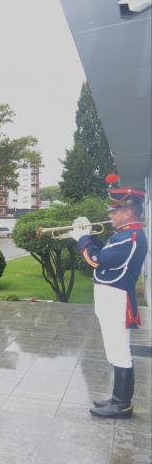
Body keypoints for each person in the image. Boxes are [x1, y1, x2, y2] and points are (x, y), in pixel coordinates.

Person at [70, 176, 147, 419]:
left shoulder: (132, 238)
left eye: (115, 211)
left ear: (128, 211)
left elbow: (97, 260)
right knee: (113, 350)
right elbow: (105, 251)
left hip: (116, 301)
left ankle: (122, 405)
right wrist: (90, 235)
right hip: (109, 300)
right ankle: (116, 399)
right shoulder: (123, 235)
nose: (111, 215)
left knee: (120, 350)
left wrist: (82, 238)